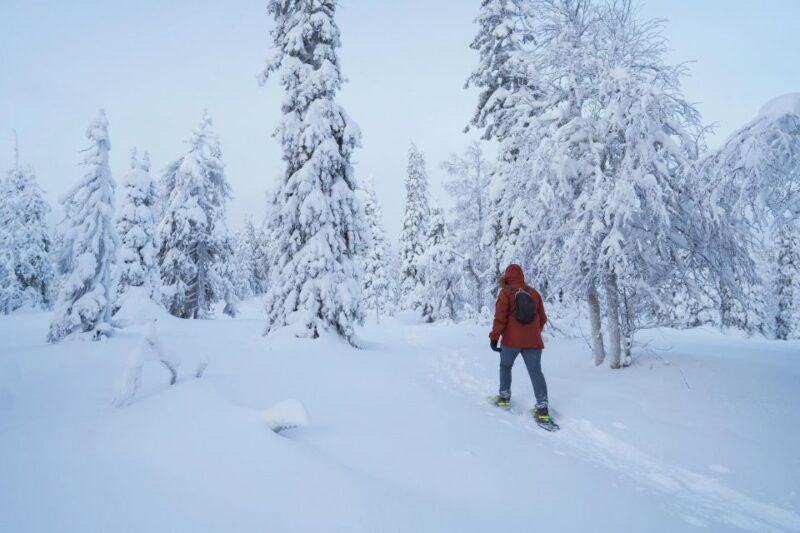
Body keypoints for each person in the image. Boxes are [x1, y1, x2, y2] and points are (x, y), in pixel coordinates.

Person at [488, 263, 551, 424]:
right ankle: (542, 408)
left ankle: (504, 397)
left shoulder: (506, 293)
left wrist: (494, 338)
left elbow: (500, 318)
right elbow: (542, 318)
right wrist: (533, 332)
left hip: (511, 341)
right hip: (533, 342)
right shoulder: (534, 293)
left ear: (507, 277)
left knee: (505, 366)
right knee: (536, 372)